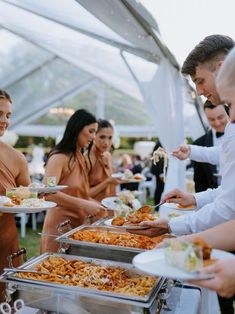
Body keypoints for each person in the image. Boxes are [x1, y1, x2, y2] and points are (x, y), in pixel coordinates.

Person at [40, 109, 104, 253]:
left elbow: (80, 193)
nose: (94, 137)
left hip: (78, 225)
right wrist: (84, 204)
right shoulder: (59, 157)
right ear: (77, 128)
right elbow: (48, 193)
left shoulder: (81, 157)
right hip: (59, 227)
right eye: (91, 131)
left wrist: (97, 205)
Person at [0, 89, 31, 302]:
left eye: (8, 115)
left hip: (5, 244)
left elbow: (30, 198)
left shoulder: (17, 158)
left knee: (7, 302)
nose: (4, 121)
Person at [192, 101, 229, 192]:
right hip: (212, 200)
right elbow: (199, 181)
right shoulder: (198, 144)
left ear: (229, 113)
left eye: (220, 117)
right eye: (211, 119)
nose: (217, 123)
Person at [86, 119, 123, 202]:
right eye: (102, 137)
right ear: (94, 136)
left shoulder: (107, 155)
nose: (106, 142)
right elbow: (83, 194)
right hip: (91, 211)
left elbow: (110, 184)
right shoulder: (87, 158)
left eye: (110, 138)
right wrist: (107, 182)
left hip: (109, 208)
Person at [150, 140, 165, 205]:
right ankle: (157, 205)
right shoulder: (160, 143)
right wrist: (161, 173)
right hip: (159, 171)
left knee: (160, 189)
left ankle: (159, 204)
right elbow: (158, 159)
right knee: (159, 189)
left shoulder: (161, 142)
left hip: (160, 171)